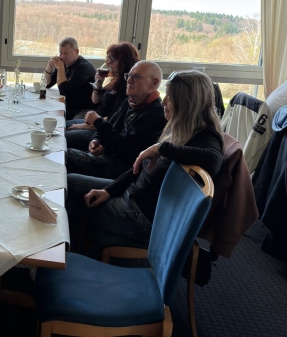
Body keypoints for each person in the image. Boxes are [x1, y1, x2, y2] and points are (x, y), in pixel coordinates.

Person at [65, 69, 224, 253]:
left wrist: (161, 148)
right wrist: (109, 191)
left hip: (142, 218)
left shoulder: (206, 137)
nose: (163, 102)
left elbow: (214, 160)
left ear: (187, 103)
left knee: (75, 200)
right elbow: (139, 168)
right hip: (131, 198)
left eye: (170, 98)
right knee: (70, 182)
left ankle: (67, 256)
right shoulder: (180, 128)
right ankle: (75, 251)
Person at [66, 60, 167, 179]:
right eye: (128, 76)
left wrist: (98, 122)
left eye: (136, 77)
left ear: (154, 83)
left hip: (120, 169)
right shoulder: (130, 101)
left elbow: (124, 150)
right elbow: (110, 125)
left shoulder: (155, 113)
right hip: (108, 155)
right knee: (62, 152)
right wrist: (97, 140)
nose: (129, 80)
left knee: (64, 157)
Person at [65, 41, 140, 150]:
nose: (109, 62)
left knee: (61, 137)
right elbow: (95, 101)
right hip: (95, 121)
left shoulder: (126, 85)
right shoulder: (113, 79)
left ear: (125, 61)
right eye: (108, 57)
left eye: (113, 59)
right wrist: (99, 83)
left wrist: (82, 126)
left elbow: (113, 119)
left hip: (101, 128)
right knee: (60, 125)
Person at [43, 37, 96, 120]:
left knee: (62, 124)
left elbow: (64, 91)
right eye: (60, 53)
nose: (62, 56)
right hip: (69, 106)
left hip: (83, 110)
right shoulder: (64, 63)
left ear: (76, 51)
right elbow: (46, 85)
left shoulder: (83, 67)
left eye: (66, 53)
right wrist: (49, 67)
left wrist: (60, 68)